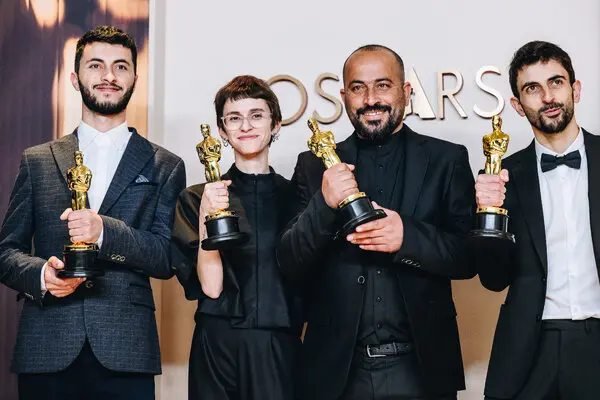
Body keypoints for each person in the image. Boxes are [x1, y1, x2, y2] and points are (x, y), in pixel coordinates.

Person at [278, 44, 475, 400]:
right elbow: (290, 263)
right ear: (344, 96)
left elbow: (468, 257)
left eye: (383, 85)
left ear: (406, 91)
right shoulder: (313, 165)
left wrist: (408, 237)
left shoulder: (448, 159)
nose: (371, 99)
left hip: (422, 369)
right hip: (335, 373)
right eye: (358, 87)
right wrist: (324, 203)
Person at [0, 25, 185, 400]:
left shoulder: (165, 165)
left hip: (126, 350)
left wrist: (104, 232)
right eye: (95, 65)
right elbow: (6, 252)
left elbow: (167, 258)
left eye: (120, 67)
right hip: (46, 346)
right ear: (75, 77)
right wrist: (40, 274)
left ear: (134, 77)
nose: (108, 76)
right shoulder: (37, 160)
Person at [473, 40, 600, 400]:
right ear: (517, 105)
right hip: (528, 348)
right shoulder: (498, 176)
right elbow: (494, 279)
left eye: (556, 82)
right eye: (533, 88)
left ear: (575, 89)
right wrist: (485, 217)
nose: (547, 96)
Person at [171, 75, 301, 400]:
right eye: (234, 118)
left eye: (257, 115)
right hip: (217, 345)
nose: (246, 125)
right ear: (222, 130)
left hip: (279, 342)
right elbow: (212, 287)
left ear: (276, 124)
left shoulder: (298, 198)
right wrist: (206, 215)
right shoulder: (194, 197)